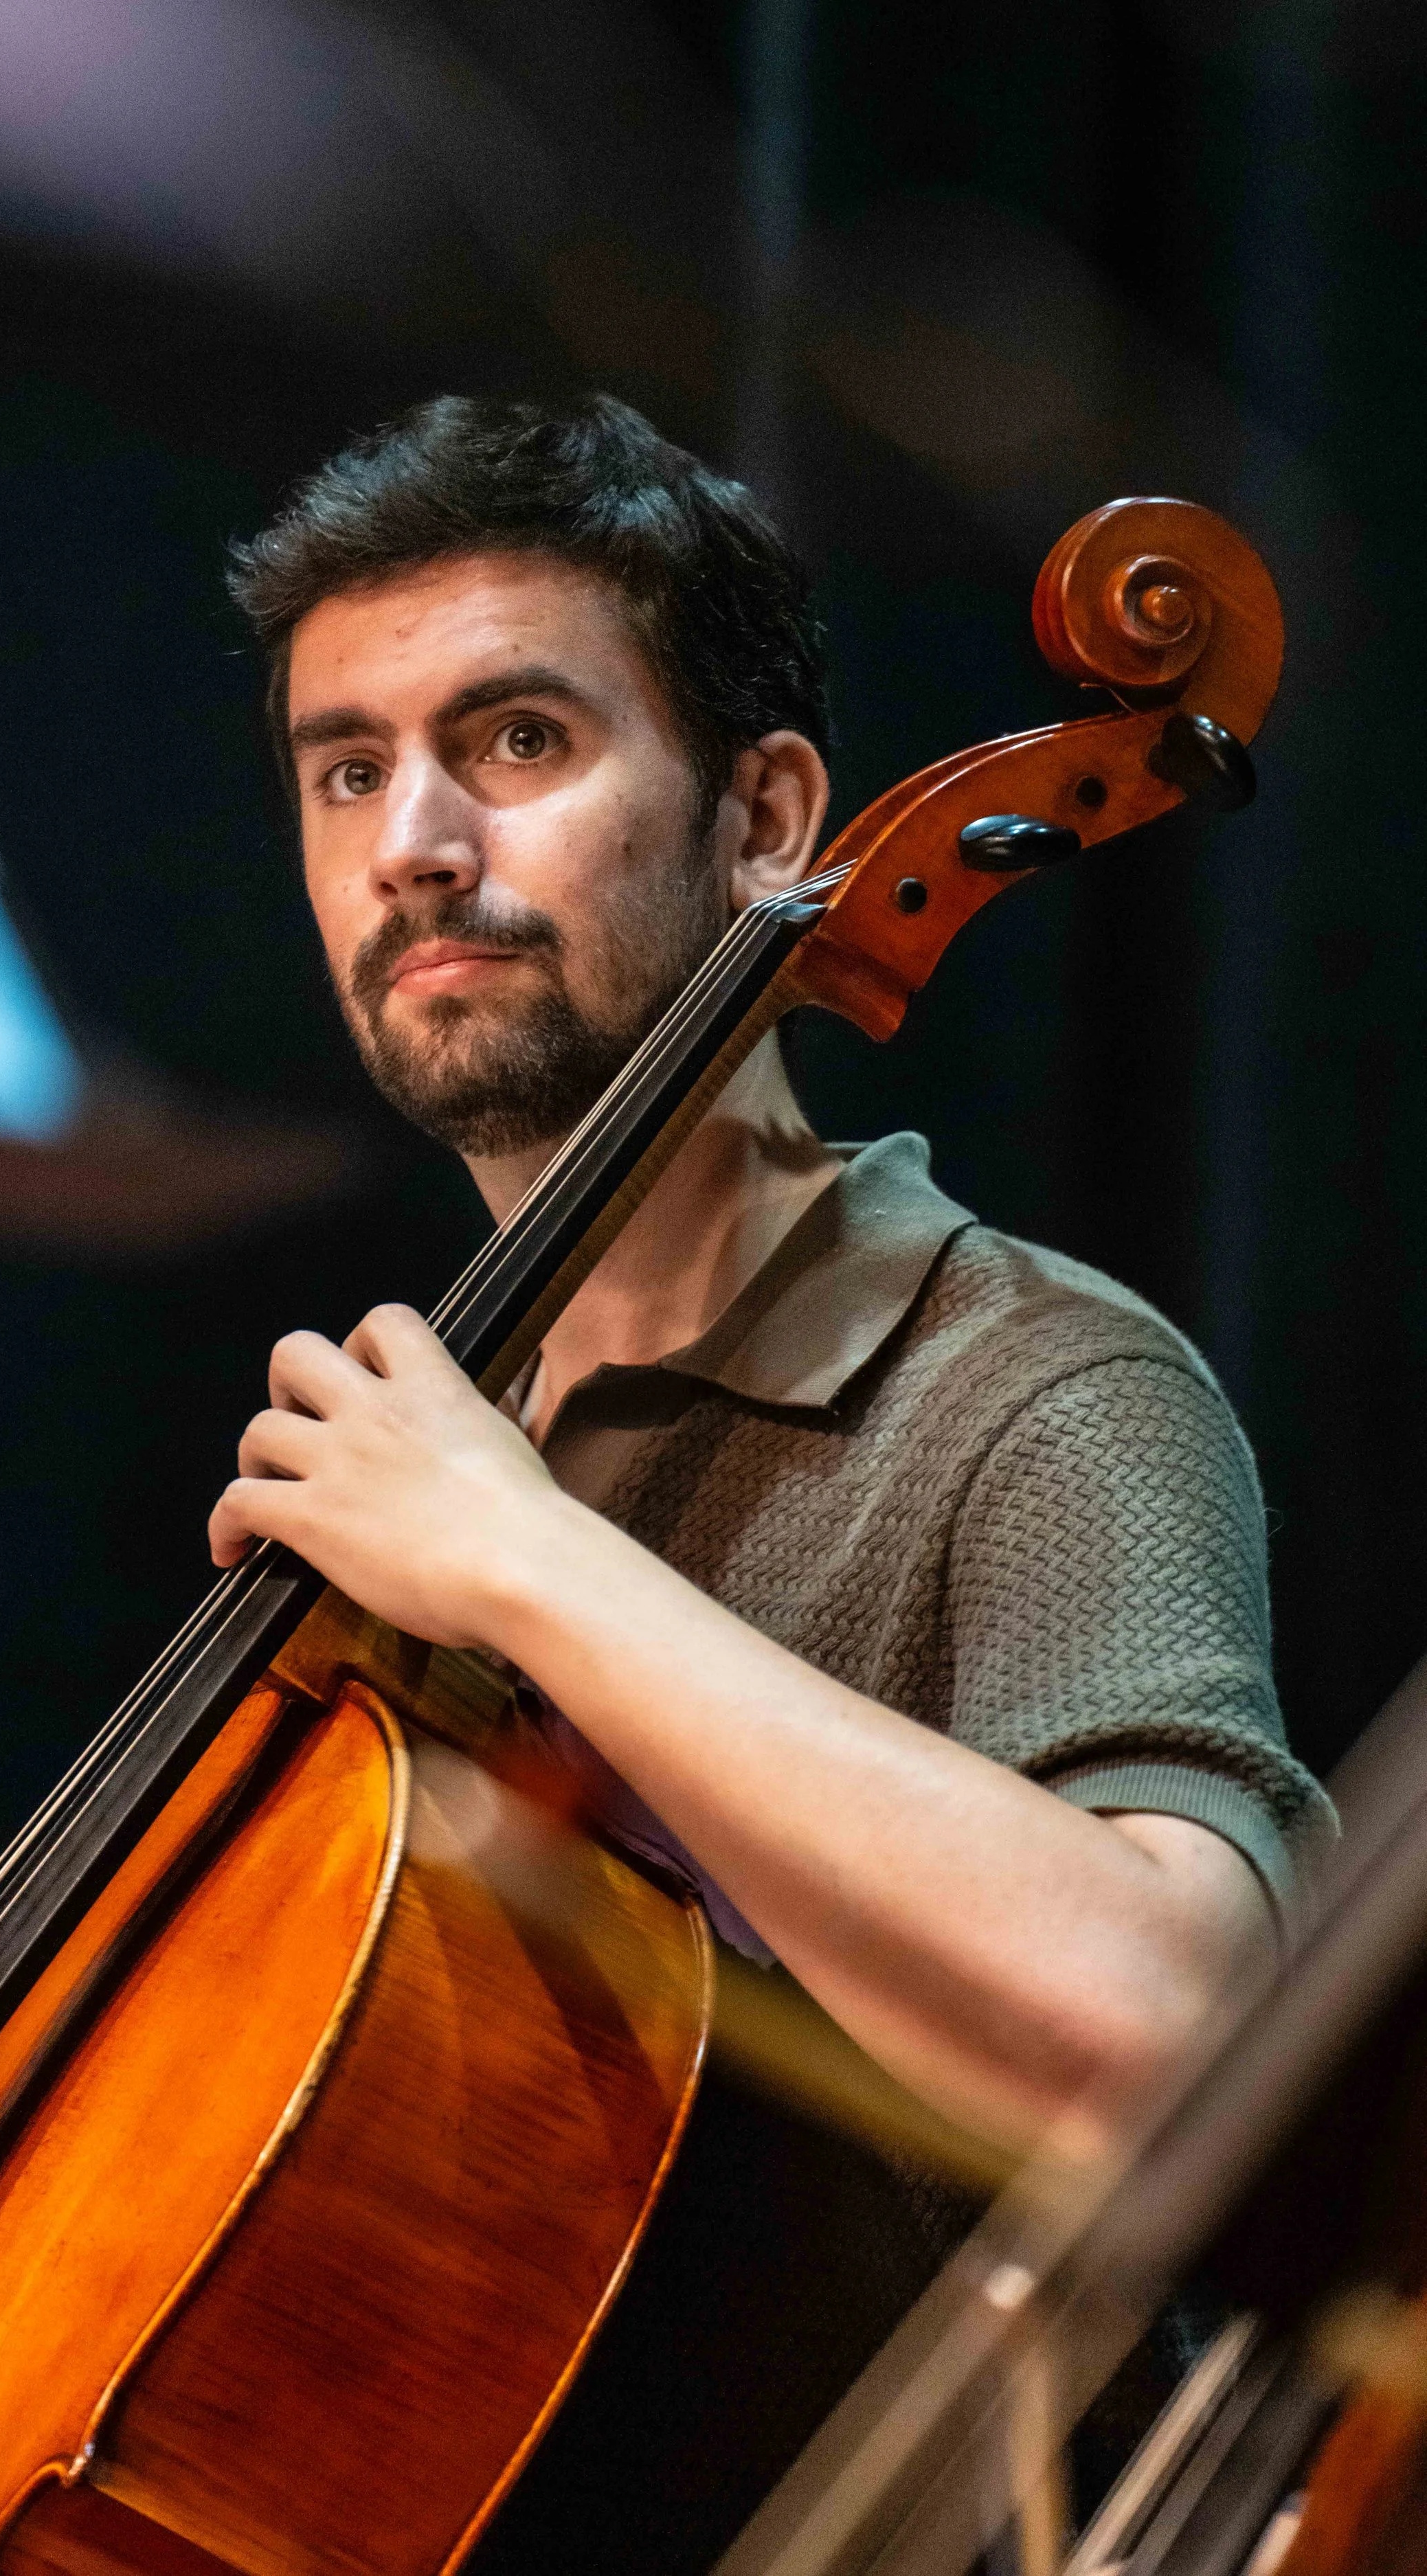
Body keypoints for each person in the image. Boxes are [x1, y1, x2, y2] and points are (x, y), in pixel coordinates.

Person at [216, 394, 1330, 2568]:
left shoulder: (1035, 1383)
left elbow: (1177, 2049)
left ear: (767, 815)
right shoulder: (425, 1464)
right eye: (347, 767)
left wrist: (534, 1565)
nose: (414, 841)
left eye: (515, 741)